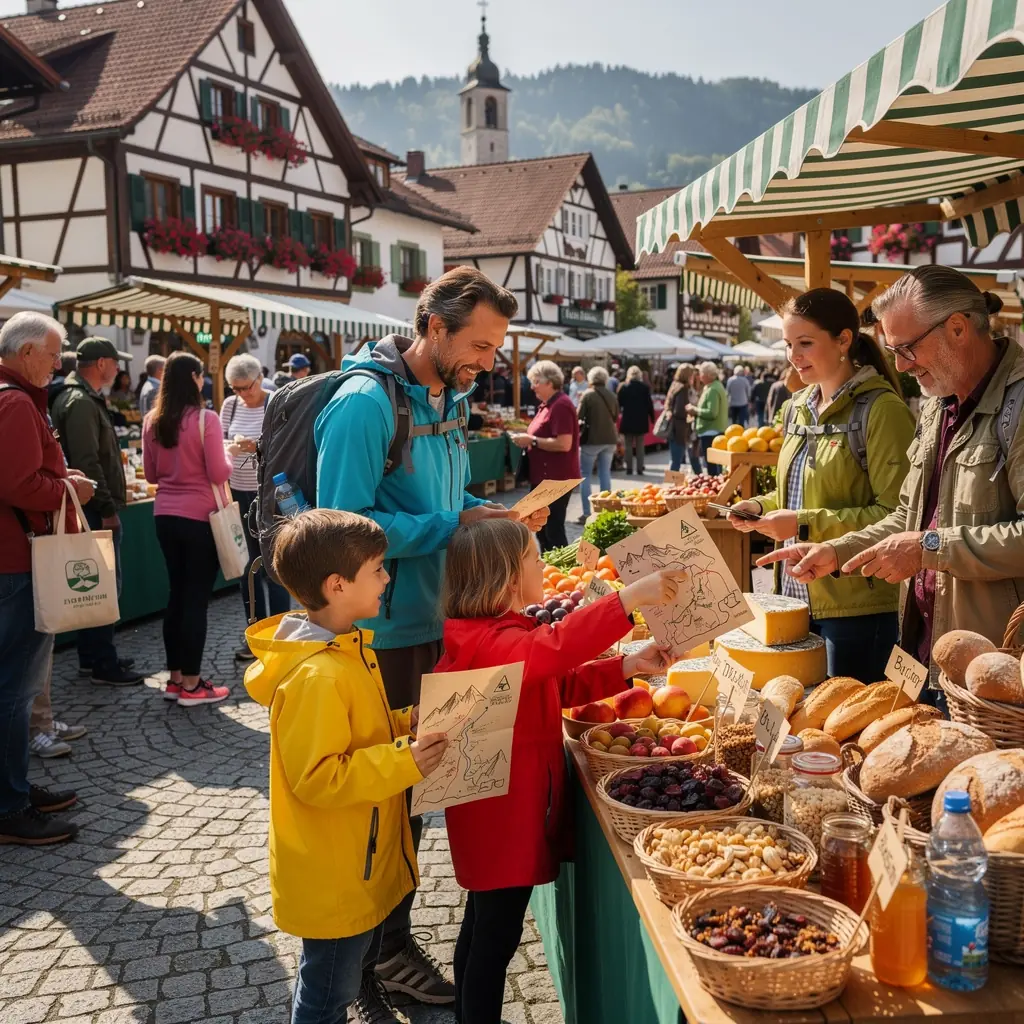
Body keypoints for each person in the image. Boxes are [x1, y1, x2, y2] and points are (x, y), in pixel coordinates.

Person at [314, 267, 545, 1019]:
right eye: (479, 344)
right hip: (387, 636)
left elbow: (439, 504)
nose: (489, 361)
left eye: (496, 347)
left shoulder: (449, 395)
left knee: (416, 799)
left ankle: (389, 947)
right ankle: (367, 964)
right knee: (386, 807)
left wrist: (487, 513)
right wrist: (454, 526)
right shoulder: (361, 406)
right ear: (434, 329)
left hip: (436, 622)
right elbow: (339, 534)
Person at [437, 518, 681, 1024]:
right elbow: (553, 650)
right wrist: (627, 597)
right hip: (503, 818)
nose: (543, 564)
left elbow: (557, 684)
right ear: (506, 579)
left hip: (499, 812)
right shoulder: (495, 643)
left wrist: (627, 667)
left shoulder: (493, 635)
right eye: (533, 558)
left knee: (481, 928)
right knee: (493, 941)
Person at [758, 265, 1024, 699]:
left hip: (993, 673)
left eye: (908, 348)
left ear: (957, 327)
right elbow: (907, 514)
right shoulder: (938, 405)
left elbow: (925, 535)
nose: (900, 366)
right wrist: (838, 550)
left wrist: (929, 548)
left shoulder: (1019, 404)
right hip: (920, 655)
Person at [244, 509, 449, 1024]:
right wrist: (407, 759)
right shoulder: (316, 675)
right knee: (325, 997)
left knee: (343, 974)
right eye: (378, 568)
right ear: (337, 585)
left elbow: (361, 734)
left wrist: (405, 723)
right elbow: (319, 777)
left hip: (361, 855)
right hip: (338, 872)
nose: (386, 577)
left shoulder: (347, 648)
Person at [728, 289, 916, 681]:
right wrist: (760, 508)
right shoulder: (796, 407)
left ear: (844, 339)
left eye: (805, 343)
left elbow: (899, 515)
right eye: (788, 344)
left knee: (851, 730)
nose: (793, 356)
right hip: (792, 601)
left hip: (857, 608)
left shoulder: (883, 411)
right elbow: (794, 492)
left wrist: (801, 522)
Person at [0, 311, 87, 844]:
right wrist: (70, 488)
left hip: (13, 557)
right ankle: (9, 805)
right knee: (16, 690)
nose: (58, 365)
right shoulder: (13, 402)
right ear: (27, 352)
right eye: (53, 354)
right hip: (16, 559)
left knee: (13, 689)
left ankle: (11, 789)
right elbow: (19, 485)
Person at [143, 351, 235, 707]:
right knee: (196, 599)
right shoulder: (205, 419)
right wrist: (227, 453)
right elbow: (218, 472)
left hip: (164, 515)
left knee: (177, 595)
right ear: (195, 378)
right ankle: (194, 686)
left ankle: (175, 679)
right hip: (200, 517)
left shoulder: (153, 420)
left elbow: (151, 475)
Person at [51, 338, 144, 686]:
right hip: (93, 509)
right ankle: (102, 663)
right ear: (101, 363)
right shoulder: (80, 402)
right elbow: (87, 462)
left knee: (97, 585)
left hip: (91, 505)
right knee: (102, 587)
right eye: (115, 362)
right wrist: (106, 508)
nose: (119, 369)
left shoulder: (84, 398)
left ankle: (95, 656)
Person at [221, 354, 290, 660]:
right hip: (237, 492)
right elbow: (219, 442)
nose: (242, 394)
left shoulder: (274, 401)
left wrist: (256, 446)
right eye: (235, 389)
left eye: (246, 387)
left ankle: (279, 633)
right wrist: (231, 447)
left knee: (273, 564)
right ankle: (256, 631)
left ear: (259, 379)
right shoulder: (230, 405)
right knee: (246, 565)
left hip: (269, 495)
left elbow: (286, 444)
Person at [510, 360, 579, 549]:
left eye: (536, 382)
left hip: (556, 479)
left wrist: (531, 441)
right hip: (544, 478)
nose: (532, 387)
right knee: (541, 530)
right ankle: (550, 572)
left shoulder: (561, 405)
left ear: (550, 382)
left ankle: (563, 573)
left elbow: (564, 444)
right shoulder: (548, 404)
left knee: (552, 530)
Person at [577, 366, 619, 522]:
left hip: (592, 439)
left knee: (585, 475)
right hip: (610, 438)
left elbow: (578, 416)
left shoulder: (588, 395)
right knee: (605, 473)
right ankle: (606, 511)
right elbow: (616, 416)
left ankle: (587, 513)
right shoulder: (612, 395)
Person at [689, 361, 728, 475]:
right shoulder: (714, 386)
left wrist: (695, 410)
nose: (699, 376)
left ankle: (716, 490)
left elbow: (712, 413)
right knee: (715, 464)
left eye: (701, 373)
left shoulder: (712, 389)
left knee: (712, 466)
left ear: (707, 375)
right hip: (714, 429)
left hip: (710, 431)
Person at [616, 365, 655, 476]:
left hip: (628, 418)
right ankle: (639, 468)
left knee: (628, 445)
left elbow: (619, 403)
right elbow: (649, 404)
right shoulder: (644, 388)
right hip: (641, 419)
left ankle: (629, 468)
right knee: (640, 446)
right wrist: (652, 418)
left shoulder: (624, 387)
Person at [664, 364, 699, 473]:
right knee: (679, 461)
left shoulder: (674, 385)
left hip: (674, 428)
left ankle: (672, 485)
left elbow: (669, 405)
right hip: (680, 429)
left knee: (675, 460)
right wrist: (691, 412)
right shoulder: (683, 388)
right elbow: (679, 410)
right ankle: (673, 486)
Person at [137, 355, 165, 419]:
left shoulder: (148, 385)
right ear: (160, 370)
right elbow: (156, 417)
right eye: (166, 369)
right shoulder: (155, 389)